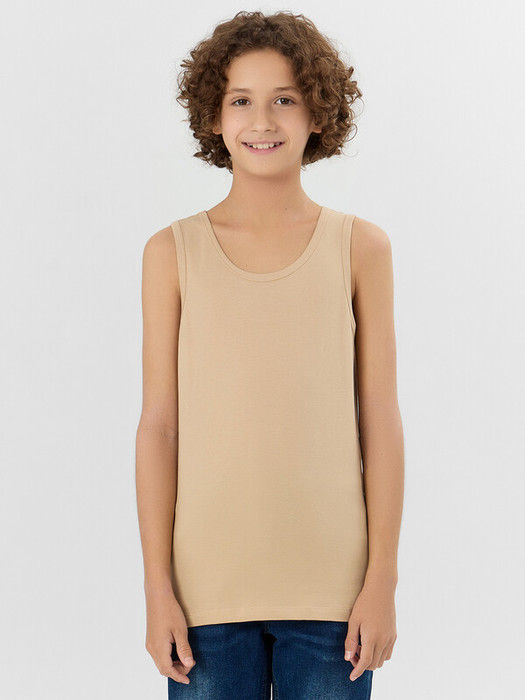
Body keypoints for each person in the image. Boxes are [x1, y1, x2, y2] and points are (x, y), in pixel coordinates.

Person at [136, 10, 404, 699]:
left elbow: (379, 422)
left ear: (317, 111)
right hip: (203, 597)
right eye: (241, 100)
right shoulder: (171, 254)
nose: (262, 120)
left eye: (284, 98)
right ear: (213, 115)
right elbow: (159, 428)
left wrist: (381, 580)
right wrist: (157, 589)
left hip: (334, 597)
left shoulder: (360, 249)